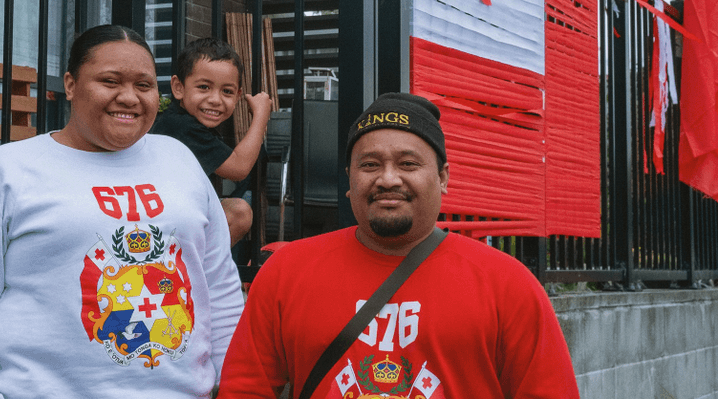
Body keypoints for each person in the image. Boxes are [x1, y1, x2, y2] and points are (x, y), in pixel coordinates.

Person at [0, 25, 245, 399]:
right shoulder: (7, 172)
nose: (129, 97)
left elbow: (220, 291)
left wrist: (235, 387)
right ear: (71, 84)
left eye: (144, 86)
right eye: (110, 81)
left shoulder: (179, 161)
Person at [218, 93, 580, 399]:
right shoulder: (287, 273)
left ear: (442, 177)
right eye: (370, 164)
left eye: (408, 163)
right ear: (349, 179)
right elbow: (245, 389)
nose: (388, 179)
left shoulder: (507, 285)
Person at [151, 37, 273, 245]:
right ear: (178, 87)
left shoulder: (180, 120)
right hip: (156, 221)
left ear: (237, 96)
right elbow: (239, 168)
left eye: (227, 91)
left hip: (168, 213)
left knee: (236, 208)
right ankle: (196, 271)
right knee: (240, 212)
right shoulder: (182, 126)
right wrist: (261, 115)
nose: (215, 99)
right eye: (204, 87)